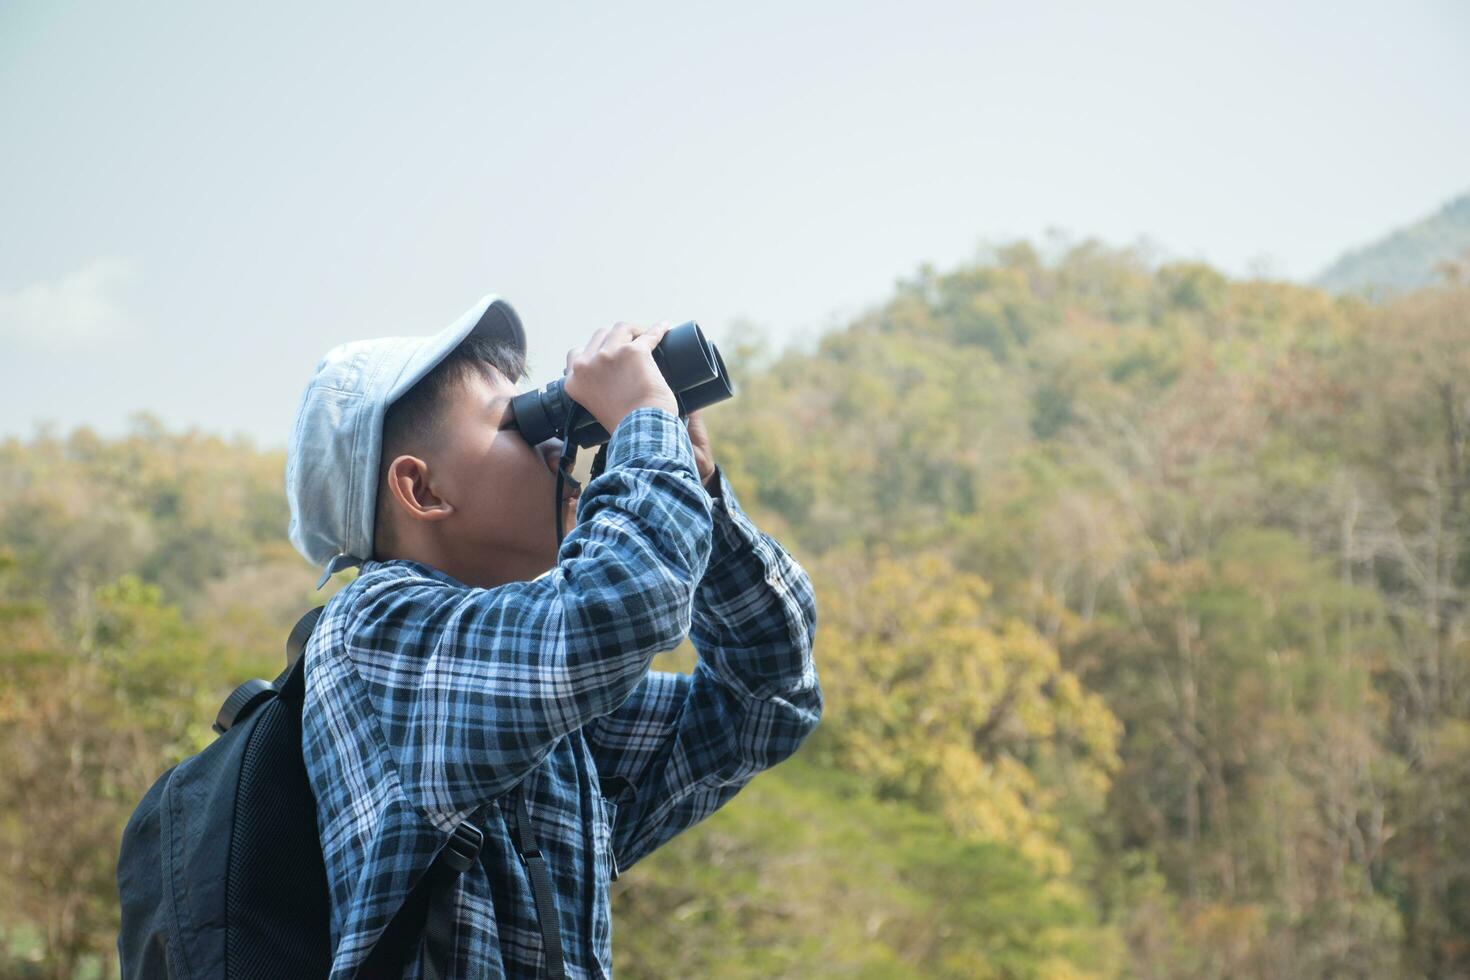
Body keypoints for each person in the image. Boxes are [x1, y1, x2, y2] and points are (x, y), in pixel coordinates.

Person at [284, 295, 823, 979]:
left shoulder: (530, 697)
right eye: (517, 421)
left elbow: (768, 700)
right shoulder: (376, 635)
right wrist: (641, 424)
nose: (556, 442)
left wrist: (696, 480)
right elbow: (626, 603)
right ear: (421, 489)